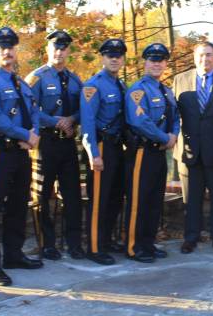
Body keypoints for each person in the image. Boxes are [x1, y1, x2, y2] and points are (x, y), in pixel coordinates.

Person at [0, 27, 42, 286]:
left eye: (11, 47)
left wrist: (33, 133)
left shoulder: (22, 84)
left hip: (21, 154)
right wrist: (25, 134)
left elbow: (34, 110)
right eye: (2, 47)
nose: (7, 51)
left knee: (17, 206)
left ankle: (14, 254)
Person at [173, 41, 213, 255]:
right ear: (194, 57)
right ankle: (190, 238)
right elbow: (174, 117)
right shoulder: (180, 80)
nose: (205, 59)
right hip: (189, 153)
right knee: (191, 199)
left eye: (209, 55)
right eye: (201, 55)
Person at [25, 30, 84, 261]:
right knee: (41, 196)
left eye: (63, 48)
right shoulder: (37, 78)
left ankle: (74, 243)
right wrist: (56, 122)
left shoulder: (75, 80)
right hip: (45, 144)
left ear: (68, 51)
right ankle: (47, 244)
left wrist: (72, 119)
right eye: (55, 48)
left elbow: (84, 108)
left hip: (68, 144)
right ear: (48, 50)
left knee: (72, 196)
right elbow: (30, 111)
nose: (59, 52)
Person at [124, 43, 180, 263]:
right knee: (139, 201)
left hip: (159, 153)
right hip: (142, 152)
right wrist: (165, 138)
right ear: (145, 62)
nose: (157, 64)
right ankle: (133, 246)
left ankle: (148, 242)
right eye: (152, 60)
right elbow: (140, 121)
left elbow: (175, 117)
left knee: (155, 200)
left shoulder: (166, 91)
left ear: (166, 63)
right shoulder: (137, 90)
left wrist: (174, 135)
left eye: (161, 60)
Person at [80, 38, 128, 265]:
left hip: (117, 147)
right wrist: (93, 154)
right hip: (101, 147)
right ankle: (94, 247)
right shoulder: (93, 85)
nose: (114, 59)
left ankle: (107, 240)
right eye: (110, 55)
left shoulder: (121, 84)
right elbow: (87, 122)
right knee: (98, 199)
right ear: (103, 58)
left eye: (118, 55)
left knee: (115, 198)